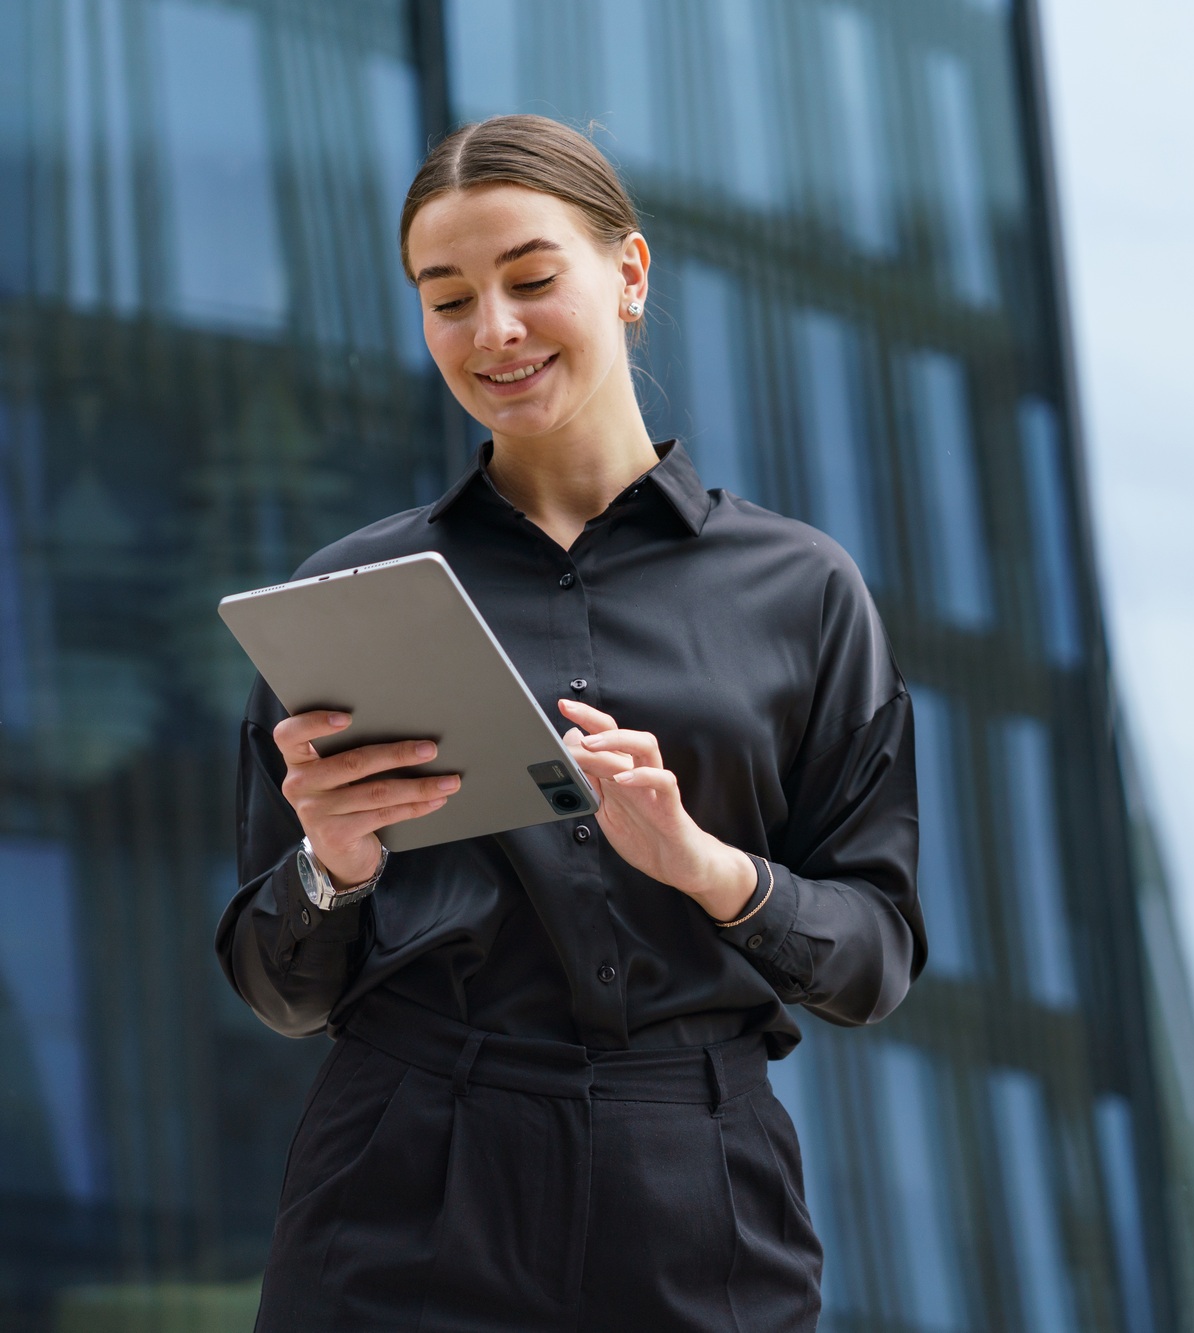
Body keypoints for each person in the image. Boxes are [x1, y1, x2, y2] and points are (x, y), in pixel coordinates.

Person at [216, 113, 924, 1331]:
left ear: (629, 274)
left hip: (695, 1188)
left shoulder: (802, 590)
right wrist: (331, 866)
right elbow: (276, 985)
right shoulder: (346, 600)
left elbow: (875, 958)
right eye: (447, 299)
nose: (493, 330)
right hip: (406, 1170)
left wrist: (708, 869)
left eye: (532, 280)